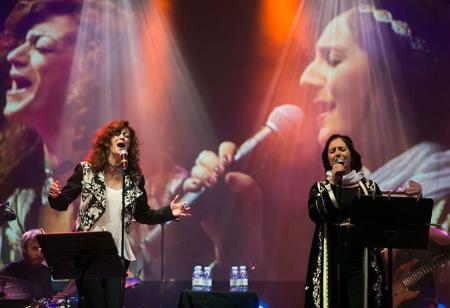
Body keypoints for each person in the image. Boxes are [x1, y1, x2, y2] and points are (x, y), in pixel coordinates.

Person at [47, 120, 190, 308]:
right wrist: (54, 196)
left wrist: (168, 212)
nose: (123, 137)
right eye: (118, 134)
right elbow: (61, 203)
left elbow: (143, 214)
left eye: (127, 137)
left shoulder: (134, 178)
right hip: (88, 253)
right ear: (107, 141)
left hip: (117, 254)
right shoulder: (86, 171)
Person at [304, 134, 386, 307]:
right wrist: (333, 182)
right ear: (327, 158)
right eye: (332, 150)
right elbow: (316, 214)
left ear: (351, 154)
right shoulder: (319, 188)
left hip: (361, 261)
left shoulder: (369, 187)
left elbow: (381, 219)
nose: (338, 153)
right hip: (331, 261)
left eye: (342, 149)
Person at [0, 228, 53, 299]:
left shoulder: (45, 271)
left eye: (42, 249)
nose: (39, 254)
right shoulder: (10, 270)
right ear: (25, 249)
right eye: (34, 248)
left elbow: (47, 298)